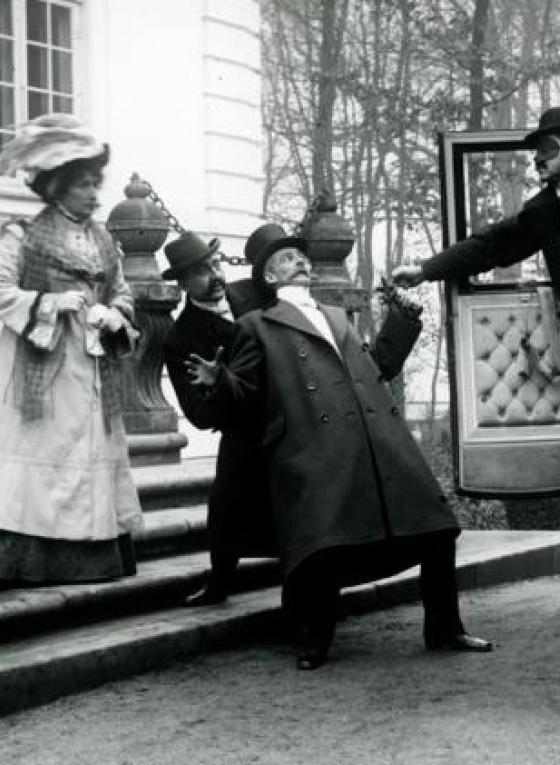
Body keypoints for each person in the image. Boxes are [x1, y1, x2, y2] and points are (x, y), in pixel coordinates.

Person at [194, 236, 491, 669]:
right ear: (269, 276)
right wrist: (220, 381)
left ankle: (445, 629)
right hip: (316, 450)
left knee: (436, 529)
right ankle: (315, 642)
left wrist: (402, 320)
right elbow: (246, 396)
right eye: (286, 258)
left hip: (376, 441)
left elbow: (377, 367)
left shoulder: (335, 316)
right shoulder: (256, 325)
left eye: (301, 256)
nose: (300, 260)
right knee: (325, 545)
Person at [391, 104, 560, 570]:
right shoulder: (543, 210)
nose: (537, 160)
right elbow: (491, 245)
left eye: (546, 149)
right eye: (535, 152)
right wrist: (426, 270)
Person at [0, 114, 142, 583]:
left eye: (95, 184)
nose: (94, 194)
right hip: (48, 368)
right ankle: (38, 557)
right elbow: (1, 291)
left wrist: (116, 314)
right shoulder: (22, 236)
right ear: (57, 187)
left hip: (96, 367)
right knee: (53, 451)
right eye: (83, 184)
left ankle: (96, 554)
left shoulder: (104, 240)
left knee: (93, 449)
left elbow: (122, 292)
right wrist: (49, 303)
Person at [162, 229, 278, 606]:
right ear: (183, 284)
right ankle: (220, 583)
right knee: (227, 501)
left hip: (290, 412)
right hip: (245, 427)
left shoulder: (253, 295)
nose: (215, 276)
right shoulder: (181, 339)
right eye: (201, 271)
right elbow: (198, 416)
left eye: (214, 264)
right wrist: (219, 383)